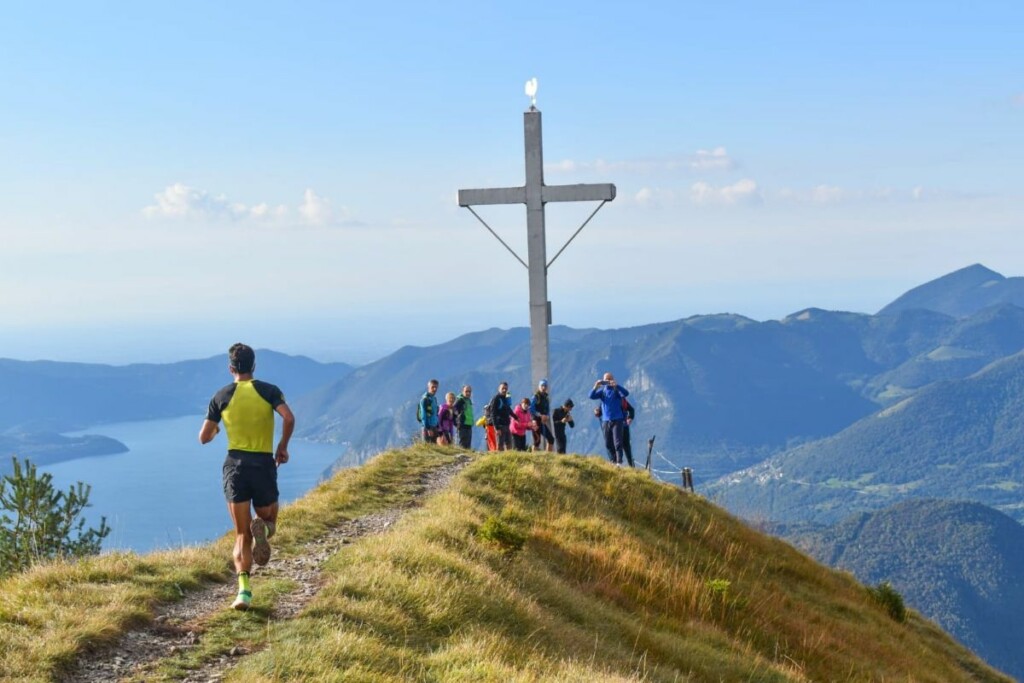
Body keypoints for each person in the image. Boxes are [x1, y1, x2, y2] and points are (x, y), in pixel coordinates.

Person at [199, 343, 294, 612]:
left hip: (235, 467)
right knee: (269, 521)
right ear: (254, 366)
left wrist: (218, 429)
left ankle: (243, 592)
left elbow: (204, 437)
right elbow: (288, 418)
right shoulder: (268, 391)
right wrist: (283, 446)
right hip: (263, 464)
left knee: (241, 534)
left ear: (230, 368)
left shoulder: (221, 396)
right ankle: (262, 530)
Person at [589, 372, 630, 466]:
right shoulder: (602, 392)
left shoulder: (616, 390)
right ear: (603, 380)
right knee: (608, 443)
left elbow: (626, 393)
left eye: (609, 379)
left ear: (613, 379)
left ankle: (619, 462)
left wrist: (617, 385)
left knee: (618, 441)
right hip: (606, 420)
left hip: (617, 420)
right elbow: (591, 396)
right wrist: (596, 386)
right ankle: (613, 461)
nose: (608, 381)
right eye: (606, 379)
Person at [530, 379, 555, 452]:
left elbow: (547, 409)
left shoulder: (546, 398)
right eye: (542, 386)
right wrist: (540, 415)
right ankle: (534, 458)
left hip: (542, 421)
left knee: (551, 439)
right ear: (539, 386)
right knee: (537, 441)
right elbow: (531, 409)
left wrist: (546, 416)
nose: (543, 387)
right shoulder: (536, 397)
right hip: (535, 421)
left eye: (545, 386)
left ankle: (548, 456)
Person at [488, 382, 513, 451]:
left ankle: (509, 458)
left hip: (507, 424)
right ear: (499, 389)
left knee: (509, 443)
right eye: (503, 388)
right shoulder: (496, 398)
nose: (504, 390)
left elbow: (508, 409)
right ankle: (500, 459)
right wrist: (496, 428)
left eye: (506, 389)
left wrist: (515, 417)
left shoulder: (505, 398)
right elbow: (493, 413)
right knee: (500, 445)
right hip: (500, 425)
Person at [453, 385, 475, 449]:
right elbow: (454, 411)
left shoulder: (468, 401)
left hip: (469, 425)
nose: (468, 393)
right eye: (466, 391)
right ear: (462, 391)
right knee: (462, 445)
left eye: (469, 392)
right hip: (462, 426)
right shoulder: (460, 401)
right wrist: (457, 423)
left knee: (468, 445)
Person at [621, 396, 636, 467]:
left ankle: (631, 465)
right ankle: (617, 464)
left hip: (624, 426)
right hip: (615, 426)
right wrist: (598, 411)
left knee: (626, 447)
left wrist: (630, 418)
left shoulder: (622, 399)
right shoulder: (606, 398)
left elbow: (631, 409)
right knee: (617, 446)